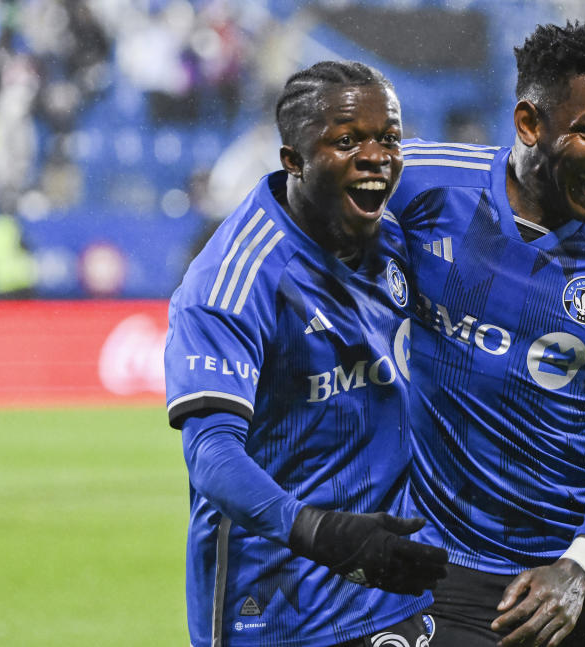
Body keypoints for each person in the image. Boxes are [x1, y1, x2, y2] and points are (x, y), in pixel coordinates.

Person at [387, 21, 585, 647]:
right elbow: (295, 201)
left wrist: (578, 570)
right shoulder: (419, 186)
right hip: (456, 562)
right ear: (529, 124)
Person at [163, 60, 448, 647]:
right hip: (274, 605)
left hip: (390, 583)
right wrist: (320, 531)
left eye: (389, 138)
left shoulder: (400, 234)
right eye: (347, 142)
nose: (376, 156)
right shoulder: (234, 279)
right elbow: (213, 455)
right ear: (292, 158)